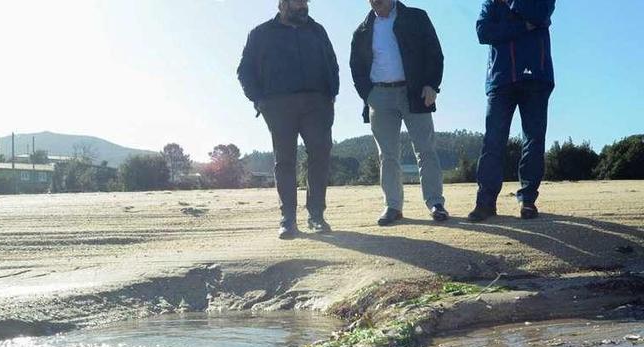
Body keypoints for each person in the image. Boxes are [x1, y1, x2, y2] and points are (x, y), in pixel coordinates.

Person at [237, 0, 340, 240]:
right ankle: (288, 219)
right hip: (278, 104)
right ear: (282, 4)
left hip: (317, 103)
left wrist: (331, 93)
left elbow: (332, 63)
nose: (303, 6)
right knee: (285, 161)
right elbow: (244, 70)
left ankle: (316, 215)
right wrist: (259, 99)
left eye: (306, 1)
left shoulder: (317, 30)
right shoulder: (261, 33)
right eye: (297, 1)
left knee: (320, 155)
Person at [350, 0, 446, 226]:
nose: (375, 0)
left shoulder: (417, 17)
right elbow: (356, 67)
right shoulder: (362, 30)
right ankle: (393, 206)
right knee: (387, 155)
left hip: (415, 92)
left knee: (426, 149)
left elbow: (435, 53)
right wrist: (369, 95)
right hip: (379, 96)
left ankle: (435, 203)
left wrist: (432, 84)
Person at [468, 0, 556, 222]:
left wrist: (511, 7)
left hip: (536, 77)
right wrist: (521, 26)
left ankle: (528, 200)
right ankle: (485, 202)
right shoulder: (490, 2)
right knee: (493, 141)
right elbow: (483, 32)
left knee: (533, 139)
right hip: (500, 81)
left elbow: (540, 13)